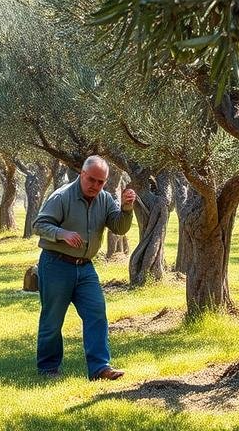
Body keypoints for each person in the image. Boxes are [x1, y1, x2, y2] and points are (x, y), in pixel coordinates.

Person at [32, 155, 137, 380]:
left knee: (96, 313)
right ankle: (48, 368)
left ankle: (100, 368)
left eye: (101, 182)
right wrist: (62, 234)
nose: (95, 186)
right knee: (53, 318)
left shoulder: (106, 199)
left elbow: (119, 227)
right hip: (56, 264)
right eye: (91, 180)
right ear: (82, 174)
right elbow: (39, 224)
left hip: (86, 267)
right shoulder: (61, 197)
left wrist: (127, 209)